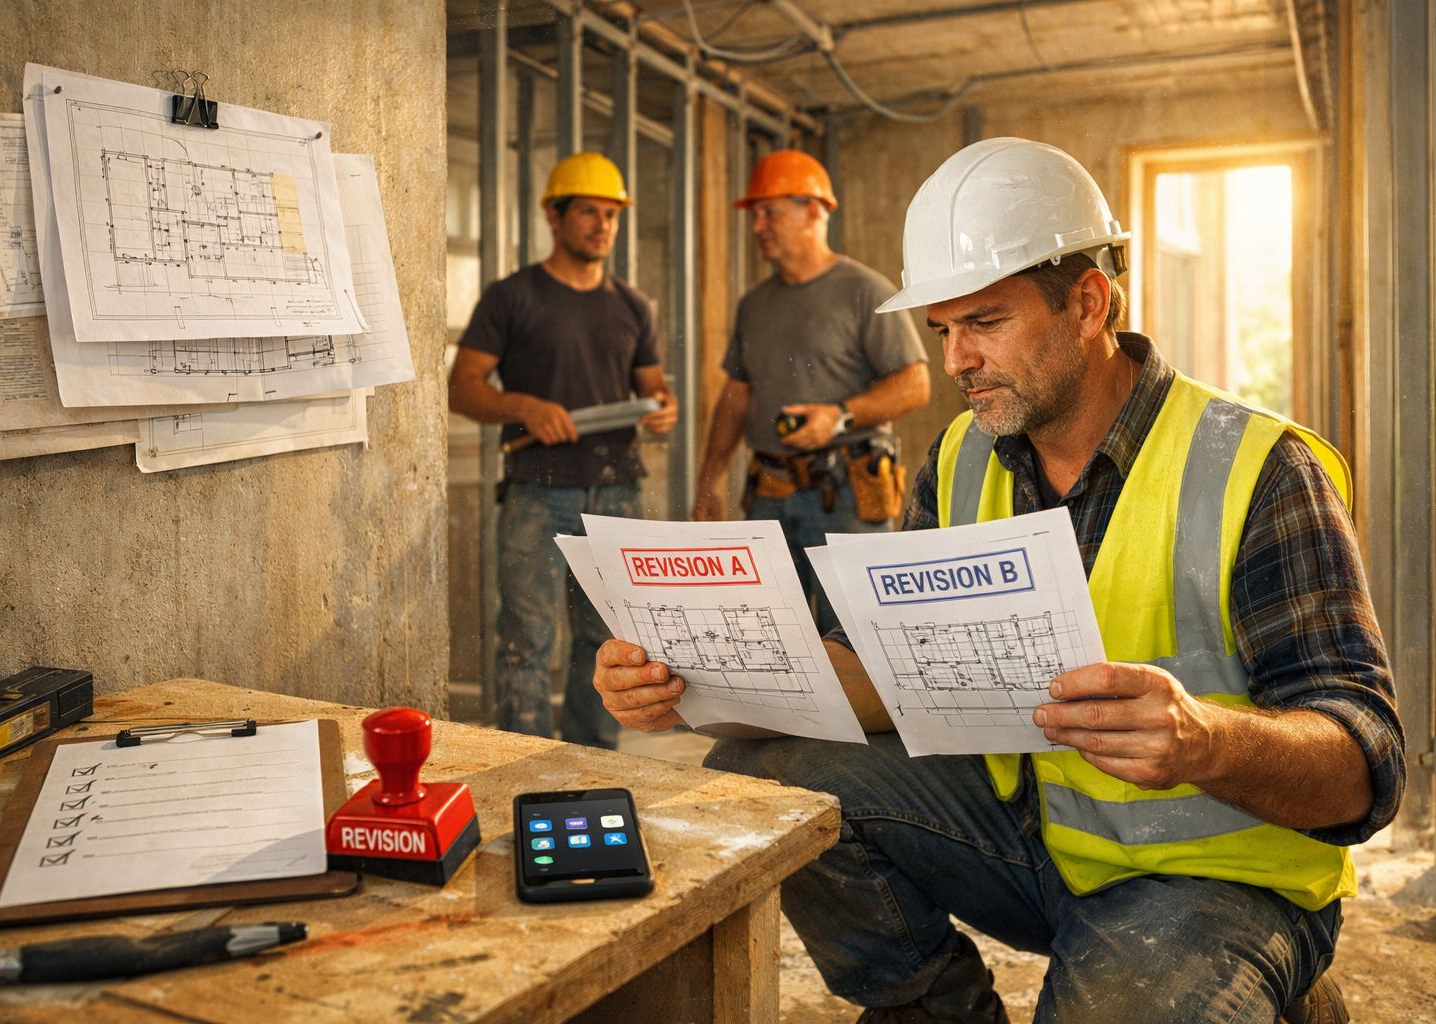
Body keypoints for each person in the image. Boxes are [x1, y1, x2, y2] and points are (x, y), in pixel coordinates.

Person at [594, 138, 1403, 1022]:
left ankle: (1272, 984)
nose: (954, 361)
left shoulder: (1258, 470)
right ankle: (933, 1010)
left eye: (984, 323)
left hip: (1213, 883)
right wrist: (697, 683)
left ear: (1088, 304)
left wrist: (1203, 740)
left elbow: (1365, 767)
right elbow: (881, 678)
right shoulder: (960, 460)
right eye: (943, 329)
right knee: (768, 772)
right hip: (1033, 846)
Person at [449, 151, 678, 749]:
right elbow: (464, 387)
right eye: (589, 212)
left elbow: (652, 390)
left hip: (617, 497)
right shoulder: (512, 297)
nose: (603, 225)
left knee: (605, 641)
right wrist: (524, 407)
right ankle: (519, 762)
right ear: (554, 216)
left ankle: (593, 763)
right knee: (526, 637)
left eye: (612, 215)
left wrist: (662, 409)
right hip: (537, 491)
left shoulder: (633, 307)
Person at [693, 149, 931, 635]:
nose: (758, 225)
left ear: (815, 211)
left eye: (770, 212)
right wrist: (708, 479)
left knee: (859, 642)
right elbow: (735, 397)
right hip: (768, 495)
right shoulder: (754, 305)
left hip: (845, 494)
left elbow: (915, 384)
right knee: (771, 638)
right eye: (755, 215)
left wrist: (839, 416)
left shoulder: (865, 291)